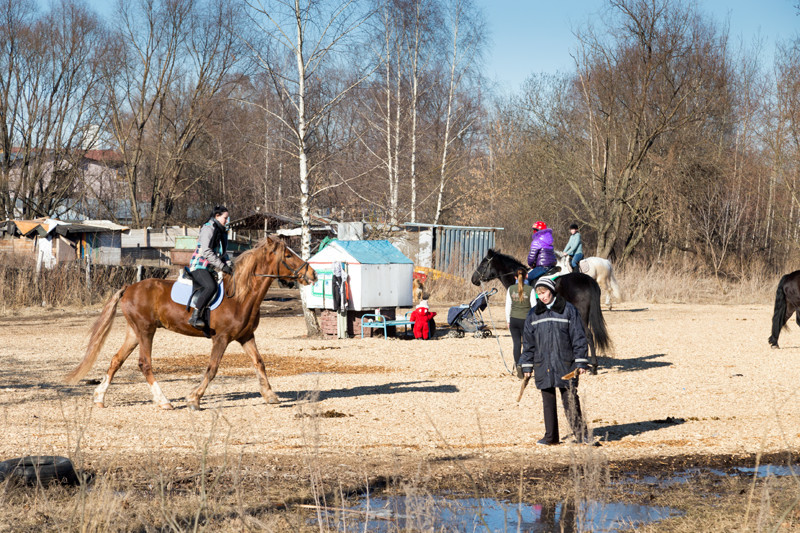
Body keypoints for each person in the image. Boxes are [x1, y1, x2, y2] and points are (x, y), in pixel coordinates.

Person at [519, 277, 592, 446]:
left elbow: (579, 337)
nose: (542, 297)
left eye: (544, 293)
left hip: (566, 364)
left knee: (570, 400)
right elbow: (528, 343)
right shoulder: (533, 314)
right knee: (548, 401)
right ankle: (551, 437)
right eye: (539, 294)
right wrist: (527, 365)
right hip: (542, 364)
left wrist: (581, 362)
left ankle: (582, 436)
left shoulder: (568, 310)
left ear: (551, 291)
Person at [188, 205, 234, 329]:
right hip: (199, 265)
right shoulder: (208, 228)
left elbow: (222, 253)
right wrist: (222, 266)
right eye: (225, 218)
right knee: (210, 286)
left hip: (210, 267)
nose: (227, 221)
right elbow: (206, 252)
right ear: (217, 216)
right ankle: (195, 316)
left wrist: (229, 265)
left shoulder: (220, 231)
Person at [506, 267, 536, 379]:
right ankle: (525, 366)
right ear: (526, 276)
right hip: (526, 320)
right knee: (527, 344)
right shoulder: (530, 289)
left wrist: (508, 320)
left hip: (513, 319)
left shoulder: (510, 289)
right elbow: (534, 307)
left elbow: (508, 306)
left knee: (517, 344)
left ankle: (518, 364)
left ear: (515, 277)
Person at [526, 221, 556, 285]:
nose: (533, 232)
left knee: (525, 278)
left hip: (542, 267)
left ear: (537, 231)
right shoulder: (549, 240)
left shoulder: (537, 241)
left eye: (534, 230)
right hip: (552, 266)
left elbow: (531, 258)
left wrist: (531, 265)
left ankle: (528, 294)